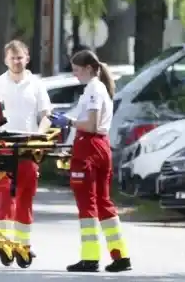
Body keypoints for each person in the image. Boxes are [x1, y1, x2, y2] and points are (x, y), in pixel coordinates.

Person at [49, 50, 132, 273]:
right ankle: (120, 255)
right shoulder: (98, 88)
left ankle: (90, 258)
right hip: (100, 146)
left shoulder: (94, 89)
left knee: (87, 204)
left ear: (88, 69)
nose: (75, 75)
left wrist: (69, 122)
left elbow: (92, 124)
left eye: (77, 70)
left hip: (90, 147)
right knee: (104, 202)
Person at [0, 40, 52, 252]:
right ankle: (3, 243)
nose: (16, 62)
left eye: (20, 57)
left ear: (27, 58)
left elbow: (46, 115)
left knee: (25, 196)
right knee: (4, 195)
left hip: (28, 146)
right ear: (6, 60)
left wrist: (40, 135)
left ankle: (23, 244)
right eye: (12, 58)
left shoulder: (36, 84)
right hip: (3, 145)